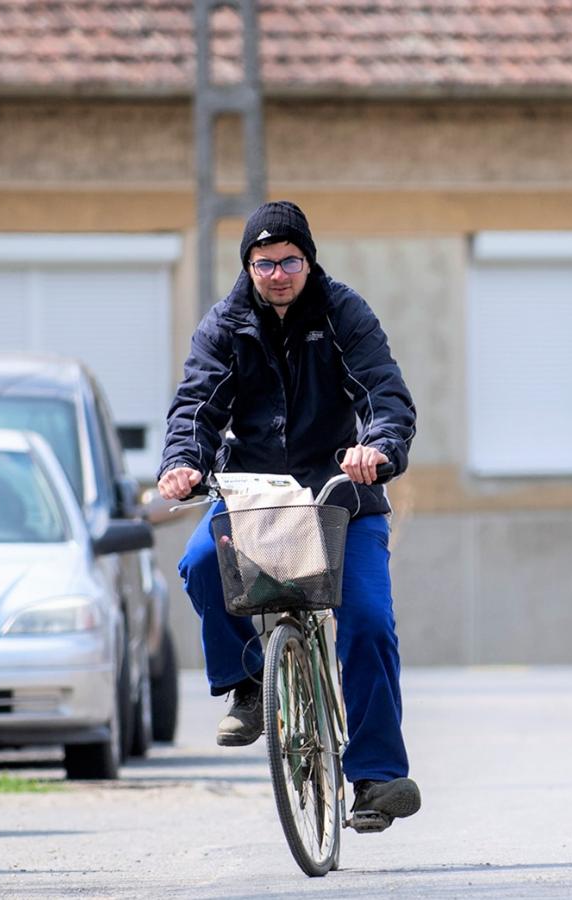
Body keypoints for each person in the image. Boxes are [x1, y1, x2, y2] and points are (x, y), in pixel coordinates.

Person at [157, 200, 420, 832]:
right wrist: (183, 462)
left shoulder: (343, 314)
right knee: (198, 564)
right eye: (264, 262)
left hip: (339, 497)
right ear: (247, 266)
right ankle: (248, 684)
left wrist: (377, 449)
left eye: (291, 261)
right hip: (255, 497)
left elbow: (385, 393)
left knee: (368, 621)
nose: (278, 273)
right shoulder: (224, 325)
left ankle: (378, 776)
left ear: (310, 261)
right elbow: (197, 406)